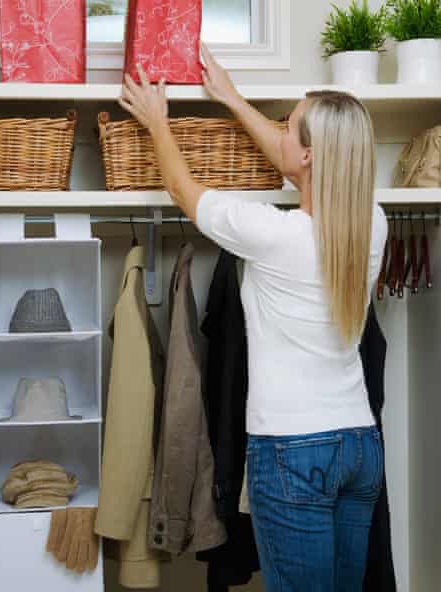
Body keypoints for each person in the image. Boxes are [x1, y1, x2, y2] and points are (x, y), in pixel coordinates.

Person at [118, 45, 389, 592]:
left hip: (293, 449)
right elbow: (297, 161)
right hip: (359, 444)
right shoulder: (372, 226)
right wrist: (233, 100)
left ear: (311, 157)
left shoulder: (272, 235)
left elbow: (182, 191)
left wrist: (156, 122)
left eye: (287, 127)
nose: (278, 133)